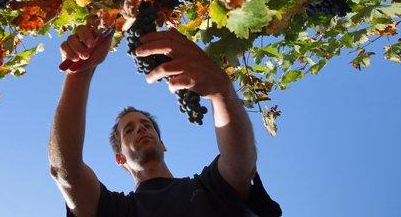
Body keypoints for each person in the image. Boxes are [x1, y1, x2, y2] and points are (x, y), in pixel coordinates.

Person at [48, 25, 282, 217]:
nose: (140, 128)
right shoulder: (116, 211)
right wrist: (79, 72)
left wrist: (222, 93)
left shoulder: (207, 189)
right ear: (120, 158)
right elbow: (65, 172)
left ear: (164, 144)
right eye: (129, 130)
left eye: (146, 125)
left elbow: (241, 164)